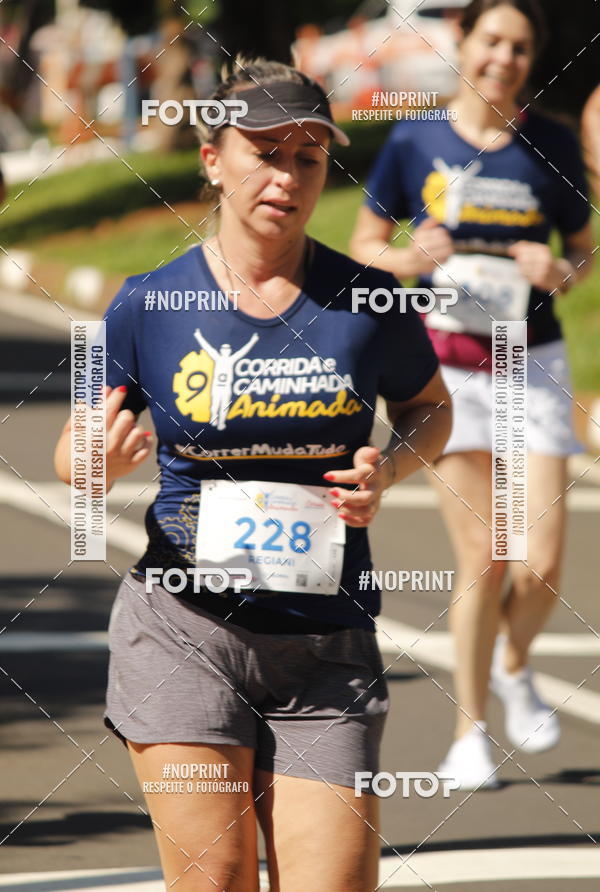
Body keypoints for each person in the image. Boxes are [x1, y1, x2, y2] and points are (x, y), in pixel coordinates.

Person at [54, 58, 451, 890]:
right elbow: (74, 448)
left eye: (308, 156)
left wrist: (392, 469)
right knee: (218, 878)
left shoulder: (370, 299)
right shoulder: (145, 303)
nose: (288, 173)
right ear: (212, 160)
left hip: (325, 643)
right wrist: (98, 459)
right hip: (182, 634)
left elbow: (430, 408)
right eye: (265, 150)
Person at [350, 0, 594, 790]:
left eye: (521, 49)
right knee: (486, 556)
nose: (504, 59)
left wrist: (558, 270)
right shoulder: (413, 138)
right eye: (493, 40)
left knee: (544, 562)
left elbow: (585, 253)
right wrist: (408, 255)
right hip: (445, 370)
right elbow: (363, 250)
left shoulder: (550, 143)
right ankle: (468, 736)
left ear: (533, 59)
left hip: (533, 361)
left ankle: (516, 664)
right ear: (465, 38)